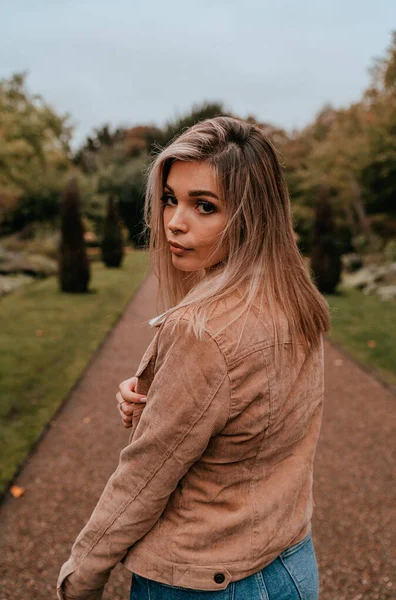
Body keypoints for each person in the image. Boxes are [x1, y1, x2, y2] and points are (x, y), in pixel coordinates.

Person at [57, 116, 330, 600]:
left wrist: (81, 576)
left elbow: (142, 480)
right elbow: (256, 419)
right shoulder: (295, 298)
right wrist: (162, 399)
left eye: (204, 206)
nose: (173, 222)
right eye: (170, 199)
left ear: (252, 216)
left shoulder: (203, 332)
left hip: (205, 580)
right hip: (290, 563)